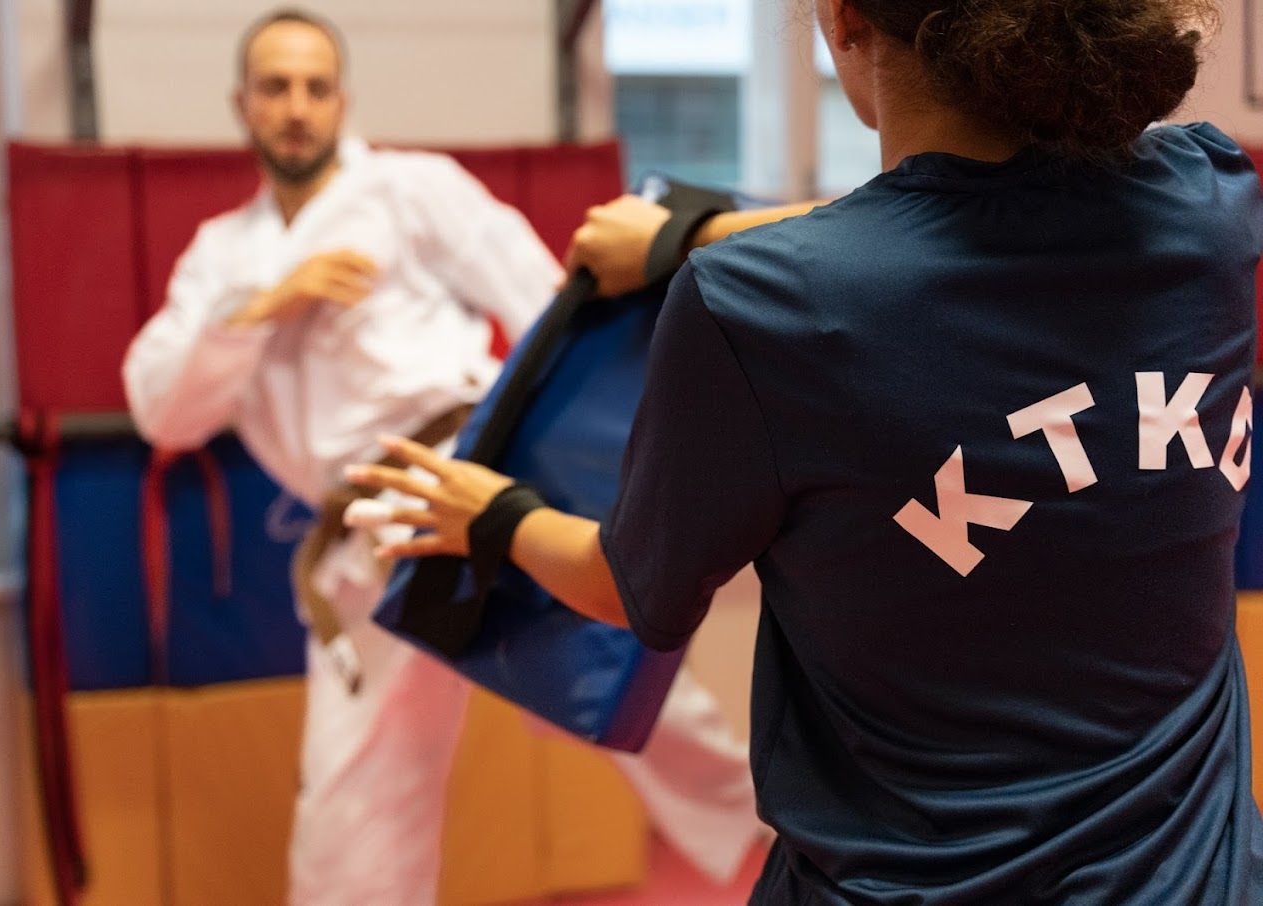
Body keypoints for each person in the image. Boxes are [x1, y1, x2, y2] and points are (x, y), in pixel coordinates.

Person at [350, 0, 1263, 901]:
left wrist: (494, 515)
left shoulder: (760, 306)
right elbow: (974, 206)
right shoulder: (1210, 203)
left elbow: (626, 589)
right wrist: (690, 237)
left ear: (843, 22)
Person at [122, 8, 764, 904]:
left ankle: (804, 873)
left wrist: (588, 459)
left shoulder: (409, 190)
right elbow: (161, 410)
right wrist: (268, 303)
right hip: (366, 533)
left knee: (649, 706)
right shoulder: (221, 260)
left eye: (316, 86)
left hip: (475, 474)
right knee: (356, 794)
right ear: (244, 104)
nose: (298, 107)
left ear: (342, 97)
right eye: (276, 88)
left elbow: (542, 302)